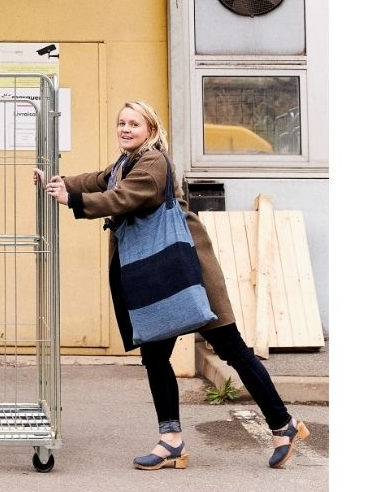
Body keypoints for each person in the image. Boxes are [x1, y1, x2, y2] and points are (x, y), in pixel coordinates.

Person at [35, 100, 309, 471]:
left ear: (150, 130)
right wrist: (61, 182)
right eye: (121, 122)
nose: (126, 129)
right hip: (157, 275)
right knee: (155, 356)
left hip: (186, 271)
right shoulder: (123, 164)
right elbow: (101, 180)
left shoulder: (153, 163)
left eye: (134, 123)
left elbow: (126, 197)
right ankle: (172, 441)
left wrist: (75, 201)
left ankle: (282, 424)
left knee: (232, 349)